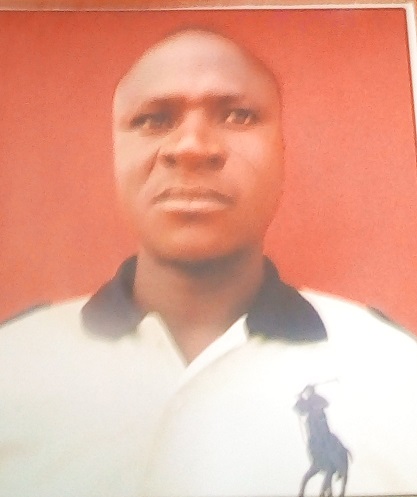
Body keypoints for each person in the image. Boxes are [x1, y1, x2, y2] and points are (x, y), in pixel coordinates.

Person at [1, 28, 416, 497]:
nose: (192, 147)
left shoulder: (396, 371)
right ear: (115, 151)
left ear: (282, 151)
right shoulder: (14, 365)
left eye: (238, 116)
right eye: (154, 119)